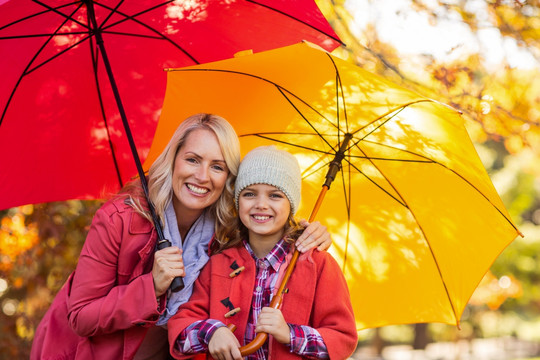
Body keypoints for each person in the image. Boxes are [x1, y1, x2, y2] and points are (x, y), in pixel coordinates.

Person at [31, 114, 332, 360]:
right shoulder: (119, 218)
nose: (202, 176)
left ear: (228, 179)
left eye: (217, 166)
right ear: (173, 159)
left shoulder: (226, 229)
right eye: (192, 160)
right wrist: (151, 286)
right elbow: (81, 316)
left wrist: (304, 231)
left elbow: (267, 229)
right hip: (90, 352)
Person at [168, 145, 358, 360]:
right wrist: (211, 333)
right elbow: (181, 329)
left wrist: (290, 334)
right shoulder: (218, 263)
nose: (261, 205)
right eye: (249, 194)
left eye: (275, 195)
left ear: (291, 205)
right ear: (238, 202)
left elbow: (343, 339)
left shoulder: (319, 264)